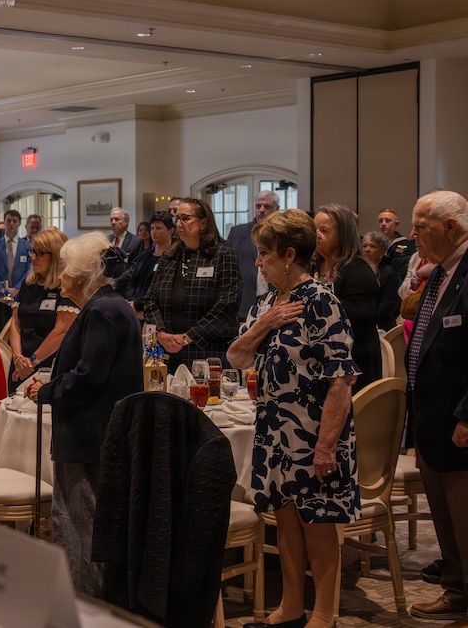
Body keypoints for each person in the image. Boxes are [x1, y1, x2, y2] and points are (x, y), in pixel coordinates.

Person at [227, 209, 360, 628]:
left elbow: (341, 381)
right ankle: (290, 607)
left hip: (315, 432)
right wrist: (263, 324)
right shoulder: (269, 303)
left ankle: (323, 614)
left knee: (317, 525)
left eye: (263, 254)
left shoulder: (322, 301)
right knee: (284, 521)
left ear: (288, 255)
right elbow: (236, 356)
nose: (257, 263)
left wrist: (325, 447)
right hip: (274, 430)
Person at [26, 235, 142, 595]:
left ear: (84, 276)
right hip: (95, 432)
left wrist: (47, 391)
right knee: (84, 523)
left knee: (78, 526)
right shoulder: (107, 306)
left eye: (67, 270)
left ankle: (83, 608)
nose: (61, 277)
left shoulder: (102, 310)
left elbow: (89, 378)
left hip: (88, 435)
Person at [403, 191, 468, 624]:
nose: (412, 236)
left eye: (420, 226)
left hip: (458, 417)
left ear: (450, 225)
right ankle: (456, 588)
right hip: (429, 415)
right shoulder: (441, 271)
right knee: (445, 516)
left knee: (463, 514)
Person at [141, 197, 241, 373]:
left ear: (203, 223)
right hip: (169, 350)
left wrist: (189, 337)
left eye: (185, 218)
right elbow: (150, 299)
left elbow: (228, 305)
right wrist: (161, 333)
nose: (179, 223)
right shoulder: (170, 256)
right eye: (177, 218)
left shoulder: (223, 255)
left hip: (208, 351)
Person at [312, 203, 381, 391]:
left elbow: (362, 316)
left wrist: (319, 295)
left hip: (355, 362)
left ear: (343, 234)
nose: (317, 234)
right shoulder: (313, 265)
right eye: (314, 229)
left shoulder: (358, 269)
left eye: (324, 230)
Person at [9, 228, 78, 386]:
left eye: (40, 253)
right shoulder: (28, 283)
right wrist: (18, 357)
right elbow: (15, 322)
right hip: (20, 365)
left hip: (49, 365)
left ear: (55, 255)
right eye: (32, 251)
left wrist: (32, 362)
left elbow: (61, 331)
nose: (33, 257)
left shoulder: (65, 287)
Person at [227, 190, 281, 319]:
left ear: (277, 208)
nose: (261, 210)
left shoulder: (284, 234)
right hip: (244, 303)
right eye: (258, 206)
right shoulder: (238, 233)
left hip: (276, 300)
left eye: (266, 206)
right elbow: (228, 267)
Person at [116, 211, 174, 310]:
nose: (154, 232)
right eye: (152, 228)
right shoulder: (144, 255)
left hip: (157, 309)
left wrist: (139, 306)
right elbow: (131, 282)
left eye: (158, 228)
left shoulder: (173, 258)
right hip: (135, 308)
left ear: (171, 231)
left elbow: (161, 290)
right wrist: (133, 304)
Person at [0, 209, 31, 300]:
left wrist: (17, 288)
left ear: (19, 224)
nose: (11, 224)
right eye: (8, 221)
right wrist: (1, 289)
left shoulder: (27, 247)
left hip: (20, 294)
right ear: (4, 223)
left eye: (15, 221)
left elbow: (29, 270)